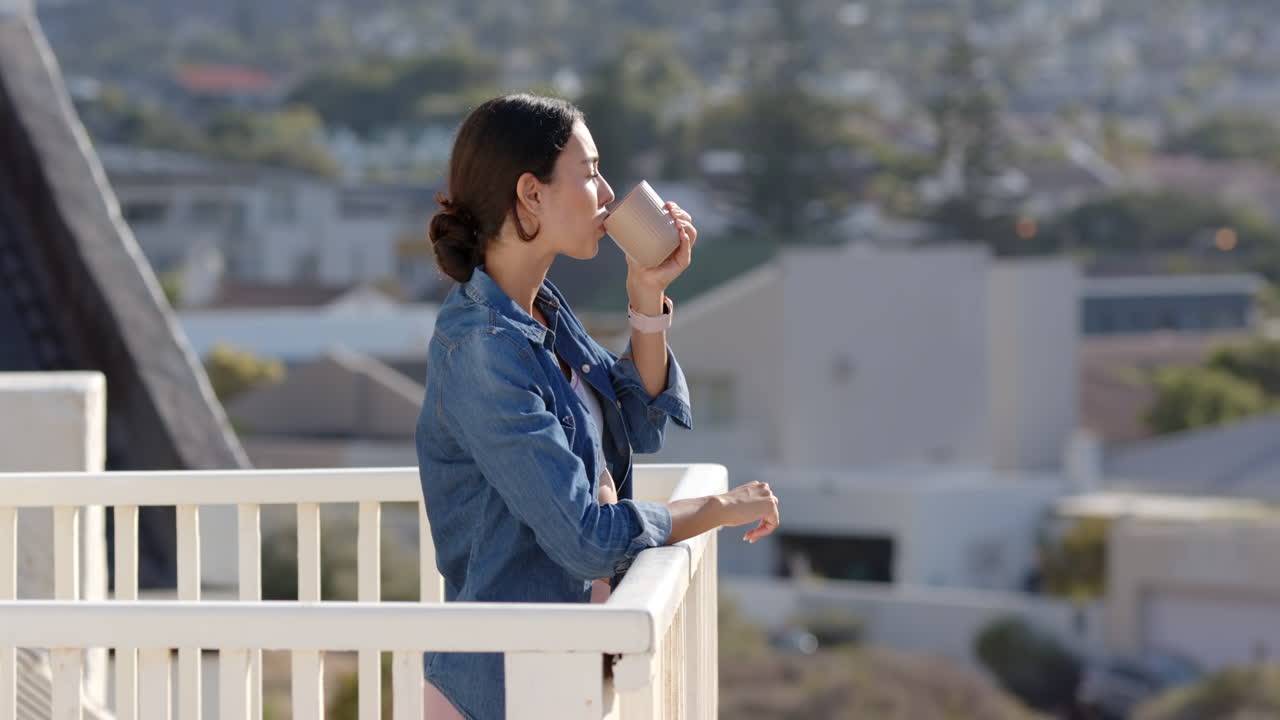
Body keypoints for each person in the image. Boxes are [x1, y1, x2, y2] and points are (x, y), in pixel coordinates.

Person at [415, 93, 780, 720]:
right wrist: (714, 509)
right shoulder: (484, 351)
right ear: (531, 194)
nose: (608, 191)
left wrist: (647, 295)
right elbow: (585, 538)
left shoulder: (540, 309)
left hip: (561, 670)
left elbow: (640, 424)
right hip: (503, 690)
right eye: (588, 172)